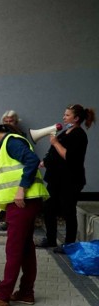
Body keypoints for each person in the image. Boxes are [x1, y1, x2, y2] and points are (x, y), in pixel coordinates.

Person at [0, 122, 50, 306]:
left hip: (22, 202)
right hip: (23, 203)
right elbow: (2, 181)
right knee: (25, 248)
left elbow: (32, 161)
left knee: (14, 249)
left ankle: (3, 296)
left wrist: (20, 190)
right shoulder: (9, 145)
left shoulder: (11, 142)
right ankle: (26, 292)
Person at [38, 104, 96, 253]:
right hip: (56, 179)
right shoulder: (66, 132)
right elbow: (55, 154)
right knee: (49, 209)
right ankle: (51, 239)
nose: (64, 117)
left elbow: (68, 157)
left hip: (70, 181)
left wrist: (56, 143)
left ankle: (69, 245)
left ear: (76, 118)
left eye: (67, 115)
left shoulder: (79, 135)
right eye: (64, 115)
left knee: (68, 212)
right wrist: (46, 161)